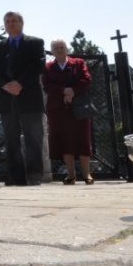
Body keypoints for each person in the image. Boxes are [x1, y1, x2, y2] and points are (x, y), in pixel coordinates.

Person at [0, 11, 46, 187]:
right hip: (7, 99)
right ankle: (16, 176)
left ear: (21, 23)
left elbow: (38, 65)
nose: (11, 24)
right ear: (4, 25)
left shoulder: (35, 43)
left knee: (33, 138)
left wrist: (20, 83)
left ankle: (34, 175)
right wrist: (5, 85)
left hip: (29, 97)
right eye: (7, 21)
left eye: (14, 21)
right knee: (11, 139)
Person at [42, 38, 94, 185]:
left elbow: (86, 79)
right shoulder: (48, 67)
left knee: (83, 140)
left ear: (67, 49)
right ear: (52, 51)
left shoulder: (78, 63)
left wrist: (73, 91)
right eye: (56, 47)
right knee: (64, 141)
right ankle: (71, 175)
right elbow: (47, 85)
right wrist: (63, 91)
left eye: (61, 47)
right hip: (57, 109)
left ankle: (87, 174)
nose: (59, 49)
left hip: (78, 108)